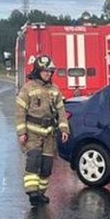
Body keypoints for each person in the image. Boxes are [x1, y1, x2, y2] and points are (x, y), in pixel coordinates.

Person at [15, 54, 70, 206]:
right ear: (38, 70)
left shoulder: (55, 90)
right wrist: (22, 133)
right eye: (45, 71)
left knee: (46, 167)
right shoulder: (28, 88)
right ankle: (32, 192)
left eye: (50, 72)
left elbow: (61, 112)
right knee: (33, 161)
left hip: (49, 135)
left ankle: (40, 193)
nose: (48, 74)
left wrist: (64, 129)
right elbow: (20, 112)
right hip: (32, 133)